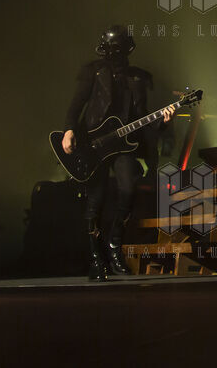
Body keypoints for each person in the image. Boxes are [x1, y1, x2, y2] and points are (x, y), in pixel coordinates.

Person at [61, 25, 172, 280]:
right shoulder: (93, 71)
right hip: (94, 143)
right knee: (96, 199)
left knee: (128, 190)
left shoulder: (137, 78)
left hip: (123, 144)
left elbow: (142, 116)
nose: (114, 53)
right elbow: (77, 104)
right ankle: (96, 258)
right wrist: (69, 130)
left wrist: (163, 121)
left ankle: (114, 245)